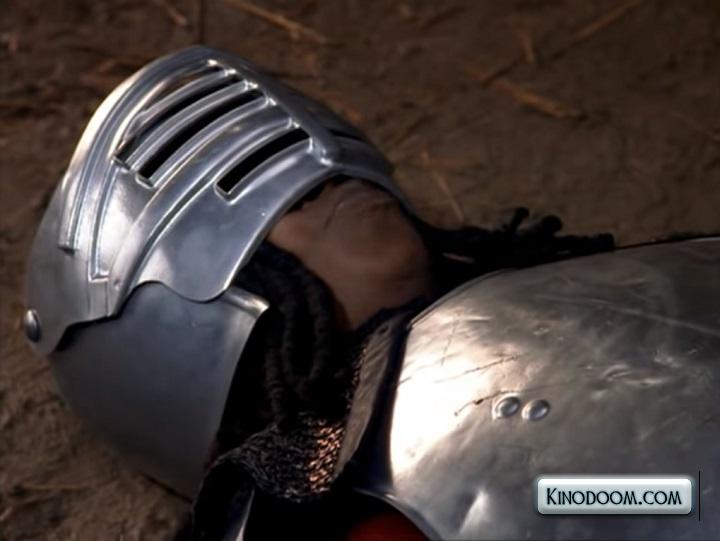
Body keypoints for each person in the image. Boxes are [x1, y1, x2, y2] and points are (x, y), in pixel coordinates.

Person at [25, 47, 720, 540]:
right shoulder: (392, 497)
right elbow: (638, 498)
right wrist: (671, 492)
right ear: (211, 338)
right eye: (294, 205)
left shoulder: (584, 284)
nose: (334, 178)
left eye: (334, 176)